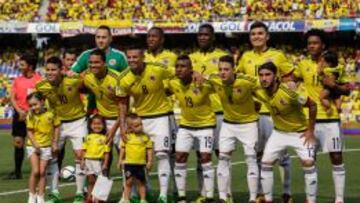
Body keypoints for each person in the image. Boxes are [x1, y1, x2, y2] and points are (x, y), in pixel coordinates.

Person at [236, 21, 294, 203]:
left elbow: (290, 79)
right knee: (259, 154)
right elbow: (239, 82)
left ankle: (286, 193)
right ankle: (261, 193)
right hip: (255, 115)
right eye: (253, 34)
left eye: (260, 33)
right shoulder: (245, 57)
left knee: (283, 156)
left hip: (276, 113)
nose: (256, 37)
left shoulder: (278, 55)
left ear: (267, 36)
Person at [295, 29, 350, 203]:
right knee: (309, 160)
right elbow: (292, 80)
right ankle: (311, 200)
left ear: (322, 45)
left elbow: (347, 90)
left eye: (315, 43)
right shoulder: (302, 64)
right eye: (309, 43)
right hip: (309, 121)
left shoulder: (335, 64)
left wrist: (333, 86)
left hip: (330, 119)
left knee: (336, 157)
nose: (312, 46)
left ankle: (339, 199)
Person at [117, 46, 174, 203]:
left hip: (161, 117)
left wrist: (194, 74)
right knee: (135, 157)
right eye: (129, 57)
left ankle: (163, 195)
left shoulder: (158, 68)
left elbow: (179, 73)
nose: (132, 60)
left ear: (143, 57)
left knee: (162, 154)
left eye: (135, 57)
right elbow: (122, 103)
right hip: (140, 120)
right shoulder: (122, 78)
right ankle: (139, 193)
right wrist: (123, 126)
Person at [255, 62, 318, 203]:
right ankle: (268, 199)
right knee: (266, 162)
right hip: (279, 133)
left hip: (300, 133)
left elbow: (313, 105)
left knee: (308, 163)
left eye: (267, 75)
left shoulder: (290, 92)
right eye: (261, 75)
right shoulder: (259, 89)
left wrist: (310, 130)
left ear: (276, 76)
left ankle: (311, 200)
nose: (264, 78)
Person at [36, 56, 88, 203]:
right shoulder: (41, 86)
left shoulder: (74, 80)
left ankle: (79, 193)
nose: (50, 73)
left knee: (80, 156)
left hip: (78, 121)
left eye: (54, 70)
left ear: (61, 70)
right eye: (48, 70)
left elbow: (90, 83)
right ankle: (54, 194)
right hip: (58, 125)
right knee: (52, 156)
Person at [209, 55, 260, 203]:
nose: (222, 72)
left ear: (234, 70)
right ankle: (223, 197)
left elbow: (265, 84)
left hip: (249, 125)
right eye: (220, 69)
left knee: (251, 159)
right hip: (228, 124)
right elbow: (201, 77)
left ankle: (252, 198)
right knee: (223, 159)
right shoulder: (215, 79)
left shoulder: (247, 81)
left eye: (226, 69)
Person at [168, 55, 216, 203]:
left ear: (191, 69)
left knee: (205, 159)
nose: (179, 69)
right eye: (177, 66)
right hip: (186, 126)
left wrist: (203, 76)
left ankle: (209, 197)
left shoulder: (203, 84)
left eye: (183, 66)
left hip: (206, 125)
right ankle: (182, 197)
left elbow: (220, 81)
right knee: (180, 158)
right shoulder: (173, 82)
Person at [189, 23, 228, 202]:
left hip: (219, 111)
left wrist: (206, 79)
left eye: (206, 35)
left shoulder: (222, 56)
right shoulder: (190, 58)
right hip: (199, 114)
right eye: (200, 35)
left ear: (213, 37)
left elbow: (227, 80)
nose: (203, 37)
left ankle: (225, 194)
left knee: (222, 155)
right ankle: (203, 193)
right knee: (200, 157)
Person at [144, 26, 179, 198]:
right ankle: (147, 190)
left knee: (167, 152)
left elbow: (178, 78)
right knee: (143, 154)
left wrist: (166, 89)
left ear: (162, 39)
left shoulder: (172, 57)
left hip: (165, 113)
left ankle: (170, 190)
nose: (151, 39)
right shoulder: (142, 57)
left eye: (154, 37)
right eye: (149, 36)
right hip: (142, 113)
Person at [69, 25, 128, 114]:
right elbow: (71, 73)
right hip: (93, 107)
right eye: (98, 37)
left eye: (104, 37)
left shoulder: (119, 56)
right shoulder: (86, 55)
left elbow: (127, 80)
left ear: (110, 39)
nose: (100, 40)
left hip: (114, 109)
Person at [83, 49, 124, 173]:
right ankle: (100, 191)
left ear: (104, 63)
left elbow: (124, 106)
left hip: (120, 120)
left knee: (125, 156)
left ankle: (132, 191)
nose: (93, 65)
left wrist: (114, 129)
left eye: (96, 62)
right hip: (102, 122)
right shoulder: (88, 78)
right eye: (90, 62)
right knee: (102, 158)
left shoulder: (117, 78)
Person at [5, 53, 42, 180]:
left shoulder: (39, 80)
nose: (19, 66)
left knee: (38, 142)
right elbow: (12, 98)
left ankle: (42, 170)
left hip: (35, 115)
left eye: (22, 64)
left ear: (30, 66)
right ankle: (17, 172)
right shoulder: (17, 80)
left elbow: (42, 99)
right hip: (19, 115)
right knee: (18, 142)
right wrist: (19, 111)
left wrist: (31, 111)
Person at [26, 92, 60, 203]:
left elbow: (57, 127)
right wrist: (35, 143)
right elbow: (29, 131)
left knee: (42, 172)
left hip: (46, 147)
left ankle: (41, 196)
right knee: (35, 171)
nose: (33, 107)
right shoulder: (30, 115)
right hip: (33, 146)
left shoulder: (52, 114)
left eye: (35, 104)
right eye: (30, 105)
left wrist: (55, 142)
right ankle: (32, 195)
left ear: (42, 102)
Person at [117, 113, 154, 203]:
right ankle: (126, 199)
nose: (140, 127)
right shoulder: (127, 137)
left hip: (141, 164)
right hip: (129, 164)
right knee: (128, 182)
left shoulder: (145, 137)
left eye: (141, 124)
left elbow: (149, 150)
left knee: (141, 183)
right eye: (137, 126)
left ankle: (143, 199)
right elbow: (123, 149)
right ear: (130, 128)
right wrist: (120, 160)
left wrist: (149, 161)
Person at [80, 114, 110, 203]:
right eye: (94, 124)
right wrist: (82, 161)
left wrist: (105, 164)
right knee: (90, 180)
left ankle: (100, 199)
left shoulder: (104, 138)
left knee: (100, 180)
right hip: (88, 161)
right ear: (90, 125)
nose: (97, 126)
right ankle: (89, 198)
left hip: (99, 161)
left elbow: (107, 153)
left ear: (104, 125)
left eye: (99, 124)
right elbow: (84, 150)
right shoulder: (88, 137)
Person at [318, 51, 346, 115]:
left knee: (322, 97)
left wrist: (320, 68)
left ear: (329, 63)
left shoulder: (327, 69)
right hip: (337, 86)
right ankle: (339, 107)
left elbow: (319, 73)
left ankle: (328, 107)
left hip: (329, 87)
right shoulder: (337, 68)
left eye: (324, 62)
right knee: (336, 97)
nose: (323, 63)